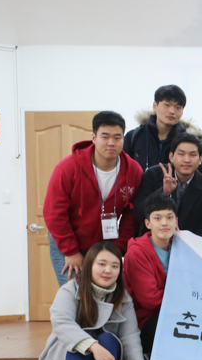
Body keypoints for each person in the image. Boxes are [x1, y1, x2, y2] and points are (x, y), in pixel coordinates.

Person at [23, 242, 147, 360]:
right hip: (67, 358)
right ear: (89, 266)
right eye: (102, 264)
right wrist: (93, 346)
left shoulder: (123, 298)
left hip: (106, 358)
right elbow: (62, 323)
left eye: (115, 266)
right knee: (82, 336)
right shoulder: (69, 290)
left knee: (109, 338)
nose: (108, 270)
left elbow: (130, 337)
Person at [44, 111, 143, 287]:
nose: (111, 143)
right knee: (74, 293)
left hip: (104, 243)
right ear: (94, 138)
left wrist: (117, 247)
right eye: (105, 137)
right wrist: (70, 251)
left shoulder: (133, 170)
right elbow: (54, 212)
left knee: (104, 292)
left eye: (117, 137)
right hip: (68, 240)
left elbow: (131, 214)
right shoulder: (68, 167)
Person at [123, 193, 178, 358]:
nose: (164, 223)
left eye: (169, 217)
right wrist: (185, 297)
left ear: (176, 221)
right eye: (157, 218)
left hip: (174, 312)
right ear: (148, 223)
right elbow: (150, 300)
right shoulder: (137, 253)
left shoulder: (181, 248)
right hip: (145, 321)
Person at [133, 134, 202, 237]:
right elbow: (139, 214)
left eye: (192, 155)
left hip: (187, 243)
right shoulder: (153, 175)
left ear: (200, 159)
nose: (186, 160)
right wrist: (164, 192)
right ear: (171, 156)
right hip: (151, 240)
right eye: (181, 154)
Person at [123, 85, 188, 171]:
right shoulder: (134, 136)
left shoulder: (187, 141)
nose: (172, 111)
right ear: (155, 106)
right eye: (167, 105)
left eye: (178, 107)